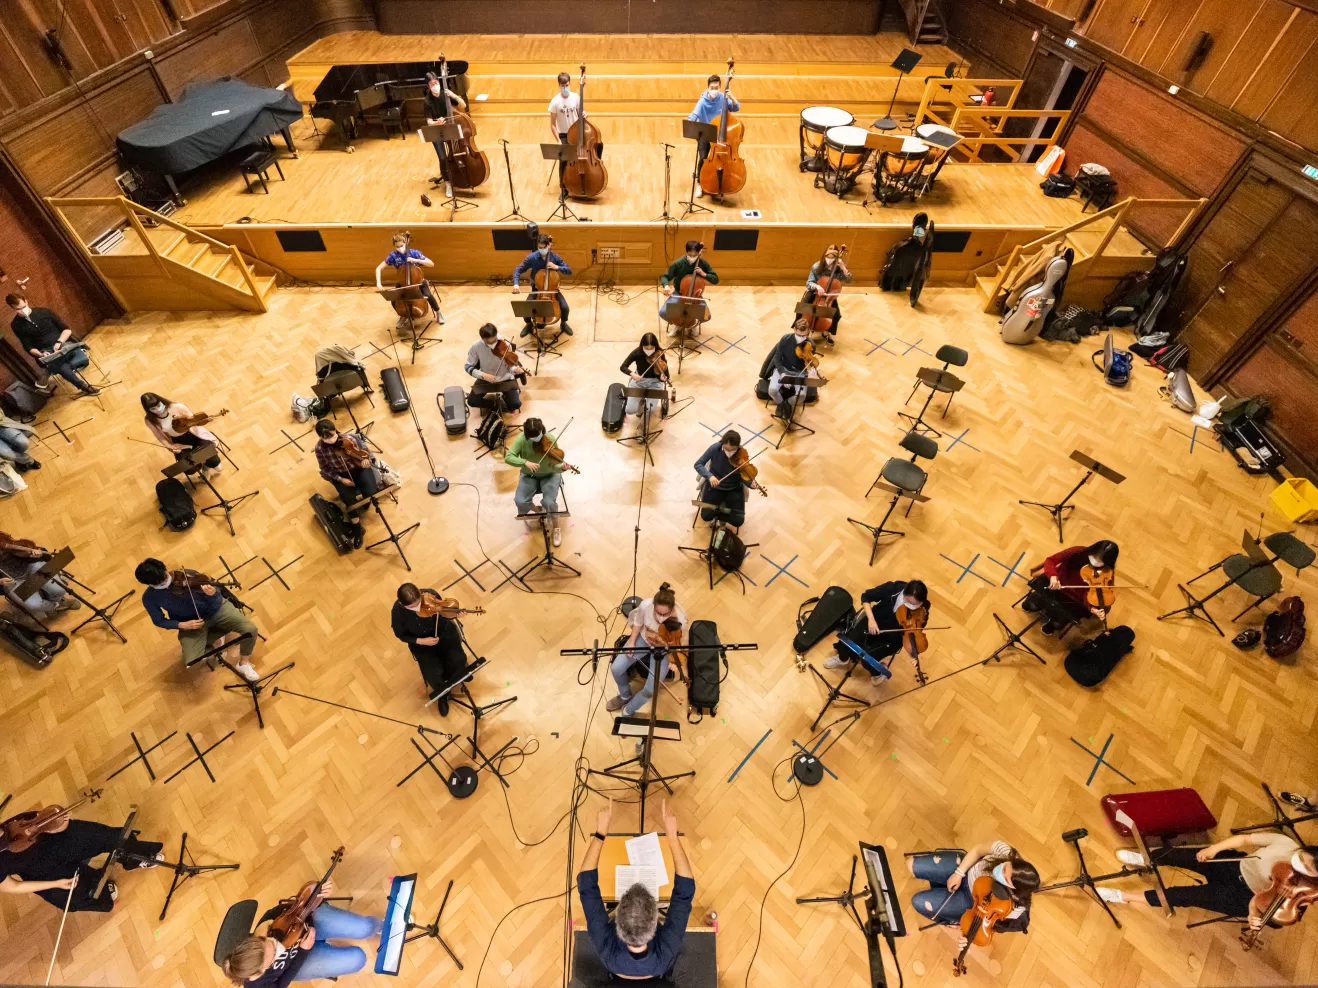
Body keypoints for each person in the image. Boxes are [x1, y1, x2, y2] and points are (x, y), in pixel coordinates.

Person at [1098, 834, 1318, 933]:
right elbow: (1245, 840)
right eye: (1301, 859)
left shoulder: (1307, 889)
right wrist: (1214, 849)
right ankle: (1147, 860)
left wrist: (1263, 907)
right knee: (1182, 856)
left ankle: (1125, 897)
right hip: (1235, 865)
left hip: (1240, 896)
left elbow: (1277, 921)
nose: (1298, 867)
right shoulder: (1286, 843)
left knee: (1181, 896)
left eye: (1308, 870)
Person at [577, 798, 696, 979]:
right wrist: (672, 837)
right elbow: (685, 891)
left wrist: (601, 832)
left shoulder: (607, 951)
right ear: (655, 926)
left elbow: (586, 885)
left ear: (617, 925)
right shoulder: (664, 955)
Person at [222, 877, 383, 986]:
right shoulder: (257, 984)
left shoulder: (269, 924)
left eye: (269, 941)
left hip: (308, 920)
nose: (277, 944)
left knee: (366, 927)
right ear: (260, 973)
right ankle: (326, 945)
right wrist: (303, 950)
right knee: (358, 960)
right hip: (297, 961)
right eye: (274, 955)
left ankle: (382, 926)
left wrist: (318, 897)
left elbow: (299, 906)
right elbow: (281, 983)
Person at [0, 815, 163, 913]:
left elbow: (49, 823)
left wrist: (60, 825)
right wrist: (55, 884)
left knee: (110, 837)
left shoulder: (14, 823)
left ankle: (136, 858)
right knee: (78, 896)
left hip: (57, 842)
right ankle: (102, 887)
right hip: (42, 872)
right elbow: (13, 887)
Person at [135, 558, 259, 681]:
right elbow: (159, 621)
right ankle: (216, 641)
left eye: (165, 576)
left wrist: (213, 594)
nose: (164, 582)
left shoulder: (188, 574)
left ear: (165, 568)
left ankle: (243, 664)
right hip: (191, 624)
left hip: (216, 609)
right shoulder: (149, 597)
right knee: (191, 662)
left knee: (250, 629)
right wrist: (182, 625)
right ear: (149, 584)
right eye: (159, 583)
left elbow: (217, 590)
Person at [907, 840, 1041, 943]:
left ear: (1014, 889)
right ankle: (940, 889)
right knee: (910, 864)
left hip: (970, 903)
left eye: (1006, 878)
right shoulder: (1006, 851)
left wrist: (966, 929)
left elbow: (989, 924)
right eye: (1005, 867)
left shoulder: (1016, 906)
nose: (1001, 873)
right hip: (966, 871)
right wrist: (959, 873)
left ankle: (951, 917)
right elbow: (977, 851)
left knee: (917, 901)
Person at [608, 582, 687, 718]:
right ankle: (625, 695)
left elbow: (681, 644)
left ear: (672, 608)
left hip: (664, 651)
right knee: (616, 668)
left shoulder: (680, 621)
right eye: (658, 613)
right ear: (653, 606)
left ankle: (629, 709)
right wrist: (632, 642)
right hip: (643, 640)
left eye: (665, 614)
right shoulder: (645, 605)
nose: (661, 618)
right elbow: (638, 623)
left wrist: (674, 660)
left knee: (650, 690)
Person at [824, 579, 928, 683]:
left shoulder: (923, 611)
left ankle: (878, 673)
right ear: (904, 592)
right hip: (874, 622)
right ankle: (842, 659)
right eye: (908, 602)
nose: (911, 607)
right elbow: (866, 597)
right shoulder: (892, 588)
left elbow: (915, 631)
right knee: (849, 642)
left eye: (915, 605)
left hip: (892, 638)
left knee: (869, 660)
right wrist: (871, 620)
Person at [391, 583, 470, 716]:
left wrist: (456, 614)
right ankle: (443, 694)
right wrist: (421, 641)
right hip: (422, 644)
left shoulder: (430, 594)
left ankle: (458, 674)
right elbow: (400, 634)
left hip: (443, 632)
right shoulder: (398, 612)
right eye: (412, 607)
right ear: (402, 604)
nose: (417, 608)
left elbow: (443, 611)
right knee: (432, 674)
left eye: (418, 602)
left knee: (458, 659)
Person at [1022, 539, 1119, 637]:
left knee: (1057, 623)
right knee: (1031, 604)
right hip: (1056, 584)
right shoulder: (1077, 551)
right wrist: (1053, 576)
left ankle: (1053, 623)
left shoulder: (1106, 575)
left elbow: (1089, 595)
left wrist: (1092, 609)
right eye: (1095, 557)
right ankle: (1037, 604)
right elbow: (1051, 560)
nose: (1096, 561)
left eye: (1101, 560)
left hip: (1075, 600)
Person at [7, 293, 98, 395]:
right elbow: (28, 346)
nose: (23, 310)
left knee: (56, 363)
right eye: (18, 309)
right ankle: (84, 386)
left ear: (26, 301)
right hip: (47, 352)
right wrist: (41, 355)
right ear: (12, 308)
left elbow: (67, 330)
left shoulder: (44, 312)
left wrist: (59, 342)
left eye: (24, 306)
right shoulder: (16, 325)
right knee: (58, 364)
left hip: (63, 344)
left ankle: (50, 373)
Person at [505, 417, 567, 547]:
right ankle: (539, 511)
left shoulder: (549, 439)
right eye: (531, 437)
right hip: (529, 475)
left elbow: (555, 464)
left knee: (550, 502)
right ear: (526, 435)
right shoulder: (521, 439)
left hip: (549, 474)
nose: (536, 439)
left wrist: (562, 468)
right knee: (520, 501)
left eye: (538, 435)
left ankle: (556, 528)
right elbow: (508, 457)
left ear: (542, 430)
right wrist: (525, 462)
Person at [693, 430, 763, 534]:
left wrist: (751, 484)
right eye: (726, 449)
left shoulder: (741, 453)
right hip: (715, 486)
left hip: (734, 488)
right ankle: (719, 515)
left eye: (733, 450)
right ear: (722, 443)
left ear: (737, 446)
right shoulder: (714, 448)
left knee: (738, 521)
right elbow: (698, 464)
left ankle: (721, 518)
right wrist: (710, 476)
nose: (729, 453)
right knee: (705, 516)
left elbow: (745, 474)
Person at [686, 73, 740, 198]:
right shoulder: (702, 101)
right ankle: (700, 183)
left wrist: (732, 97)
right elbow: (694, 115)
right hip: (706, 133)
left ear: (720, 87)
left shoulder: (723, 98)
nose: (714, 90)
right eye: (712, 88)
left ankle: (720, 180)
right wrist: (690, 123)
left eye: (717, 87)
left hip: (720, 133)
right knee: (704, 157)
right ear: (708, 88)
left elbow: (736, 108)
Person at [141, 392, 221, 472]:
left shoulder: (177, 407)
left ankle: (206, 466)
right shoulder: (150, 420)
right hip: (178, 441)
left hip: (194, 435)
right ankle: (202, 462)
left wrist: (206, 419)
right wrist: (170, 446)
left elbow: (194, 421)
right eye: (153, 409)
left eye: (158, 405)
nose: (158, 410)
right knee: (189, 468)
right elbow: (159, 436)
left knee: (212, 459)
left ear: (161, 401)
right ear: (148, 410)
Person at [0, 534, 76, 617]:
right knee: (34, 604)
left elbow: (45, 554)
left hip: (30, 566)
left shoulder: (2, 540)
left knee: (60, 590)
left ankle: (58, 600)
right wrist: (0, 582)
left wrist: (36, 555)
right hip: (13, 581)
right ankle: (54, 607)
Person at [375, 231, 443, 324]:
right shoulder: (393, 256)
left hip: (418, 282)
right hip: (402, 283)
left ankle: (438, 312)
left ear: (405, 243)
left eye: (401, 246)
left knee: (428, 295)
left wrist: (416, 260)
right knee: (394, 300)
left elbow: (431, 264)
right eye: (397, 247)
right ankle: (403, 316)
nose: (399, 249)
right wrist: (379, 283)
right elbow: (378, 268)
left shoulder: (414, 253)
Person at [512, 234, 573, 337]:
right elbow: (518, 269)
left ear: (548, 245)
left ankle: (563, 323)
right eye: (539, 247)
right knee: (526, 307)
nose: (541, 249)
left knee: (565, 307)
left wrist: (556, 267)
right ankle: (529, 324)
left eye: (543, 247)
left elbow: (569, 271)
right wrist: (516, 284)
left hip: (552, 290)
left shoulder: (555, 257)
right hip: (537, 289)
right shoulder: (532, 258)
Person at [313, 419, 379, 509]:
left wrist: (365, 461)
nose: (331, 440)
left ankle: (365, 502)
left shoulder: (349, 439)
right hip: (341, 473)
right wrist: (341, 479)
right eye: (326, 438)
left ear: (335, 430)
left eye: (332, 436)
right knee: (348, 498)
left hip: (358, 468)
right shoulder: (319, 449)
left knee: (371, 491)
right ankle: (354, 515)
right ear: (320, 437)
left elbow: (364, 452)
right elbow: (325, 467)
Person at [465, 323, 525, 414]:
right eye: (490, 342)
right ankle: (494, 404)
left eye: (495, 340)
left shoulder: (505, 344)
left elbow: (510, 365)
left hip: (505, 378)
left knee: (516, 404)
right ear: (483, 339)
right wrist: (483, 375)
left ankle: (506, 398)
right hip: (486, 379)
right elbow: (468, 366)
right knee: (472, 401)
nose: (494, 344)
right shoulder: (476, 347)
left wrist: (514, 369)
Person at [767, 318, 818, 420]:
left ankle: (787, 404)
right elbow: (776, 358)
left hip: (799, 373)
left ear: (808, 331)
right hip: (783, 370)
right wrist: (783, 373)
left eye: (803, 336)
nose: (801, 338)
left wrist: (811, 370)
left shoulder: (810, 344)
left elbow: (809, 363)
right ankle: (782, 404)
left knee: (802, 396)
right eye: (798, 335)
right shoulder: (785, 339)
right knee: (772, 390)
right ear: (794, 330)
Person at [423, 70, 467, 183]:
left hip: (449, 128)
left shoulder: (445, 94)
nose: (435, 85)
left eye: (436, 82)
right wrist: (436, 122)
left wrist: (454, 96)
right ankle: (447, 182)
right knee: (442, 158)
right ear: (428, 86)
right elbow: (429, 122)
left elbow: (463, 105)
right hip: (436, 130)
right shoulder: (427, 101)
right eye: (432, 84)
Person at [804, 244, 853, 339]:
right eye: (828, 257)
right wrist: (817, 286)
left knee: (836, 315)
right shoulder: (817, 266)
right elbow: (809, 282)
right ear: (824, 256)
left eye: (832, 257)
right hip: (815, 292)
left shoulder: (839, 269)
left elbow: (849, 280)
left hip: (829, 296)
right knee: (803, 307)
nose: (829, 259)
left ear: (836, 258)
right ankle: (801, 327)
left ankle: (827, 332)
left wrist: (843, 267)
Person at [620, 333, 669, 422]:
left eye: (651, 348)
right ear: (642, 346)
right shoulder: (637, 353)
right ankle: (642, 401)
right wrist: (632, 374)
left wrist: (663, 377)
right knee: (630, 410)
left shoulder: (659, 353)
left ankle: (643, 425)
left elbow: (665, 370)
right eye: (646, 348)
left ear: (655, 346)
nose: (649, 351)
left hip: (654, 382)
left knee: (650, 410)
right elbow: (623, 367)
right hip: (639, 381)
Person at [548, 71, 582, 183]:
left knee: (596, 146)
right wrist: (558, 140)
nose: (565, 88)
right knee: (563, 159)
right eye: (563, 86)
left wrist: (585, 113)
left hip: (577, 132)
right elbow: (552, 124)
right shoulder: (555, 102)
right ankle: (564, 187)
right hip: (564, 135)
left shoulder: (576, 97)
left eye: (567, 85)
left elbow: (580, 112)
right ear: (559, 85)